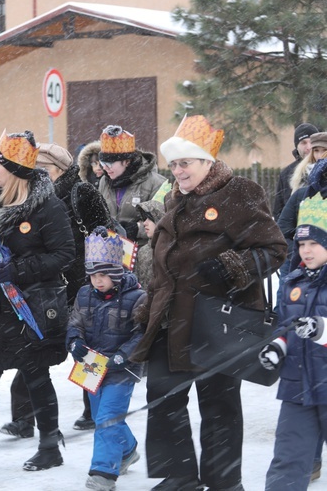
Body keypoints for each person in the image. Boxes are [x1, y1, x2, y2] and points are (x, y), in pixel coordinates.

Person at [129, 115, 287, 491]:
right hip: (171, 321)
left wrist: (234, 266)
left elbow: (275, 249)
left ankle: (224, 481)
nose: (178, 171)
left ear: (207, 163)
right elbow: (165, 265)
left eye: (186, 163)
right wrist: (147, 306)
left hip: (217, 324)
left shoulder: (240, 193)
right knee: (163, 398)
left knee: (219, 406)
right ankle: (180, 475)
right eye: (175, 164)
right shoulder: (173, 200)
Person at [0, 130, 75, 473]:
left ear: (14, 170)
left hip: (32, 306)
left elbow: (64, 254)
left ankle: (50, 446)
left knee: (35, 376)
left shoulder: (47, 206)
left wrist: (17, 269)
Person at [0, 142, 113, 439]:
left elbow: (106, 231)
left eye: (44, 169)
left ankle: (97, 410)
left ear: (61, 169)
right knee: (33, 351)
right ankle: (24, 418)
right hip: (45, 287)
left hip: (81, 285)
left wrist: (98, 278)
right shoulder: (32, 196)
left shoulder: (81, 191)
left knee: (85, 351)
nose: (39, 175)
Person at [67, 227, 146, 491]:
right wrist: (75, 341)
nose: (97, 281)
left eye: (103, 275)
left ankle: (103, 473)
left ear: (115, 273)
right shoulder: (84, 294)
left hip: (122, 369)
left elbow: (141, 334)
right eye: (93, 275)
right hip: (91, 367)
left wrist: (124, 355)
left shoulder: (137, 298)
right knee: (104, 416)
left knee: (108, 417)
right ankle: (127, 450)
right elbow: (75, 322)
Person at [259, 196, 327, 490]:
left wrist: (321, 328)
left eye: (314, 243)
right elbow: (286, 327)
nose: (306, 250)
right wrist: (278, 346)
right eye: (301, 244)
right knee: (288, 457)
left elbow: (314, 328)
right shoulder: (293, 282)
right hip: (298, 385)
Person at [97, 126, 167, 245]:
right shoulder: (104, 181)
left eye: (109, 163)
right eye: (102, 163)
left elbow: (162, 225)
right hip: (109, 252)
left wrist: (136, 229)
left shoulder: (156, 184)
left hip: (141, 253)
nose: (104, 168)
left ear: (127, 161)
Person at [279, 132, 327, 270]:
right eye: (316, 150)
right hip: (306, 269)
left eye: (324, 150)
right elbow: (282, 229)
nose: (320, 155)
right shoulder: (302, 192)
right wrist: (298, 252)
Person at [273, 123, 318, 219]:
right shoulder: (287, 174)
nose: (309, 147)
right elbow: (278, 212)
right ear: (297, 146)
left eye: (312, 142)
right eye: (303, 142)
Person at [133, 199, 166, 289]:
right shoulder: (142, 251)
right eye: (144, 219)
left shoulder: (169, 251)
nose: (144, 223)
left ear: (159, 220)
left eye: (149, 219)